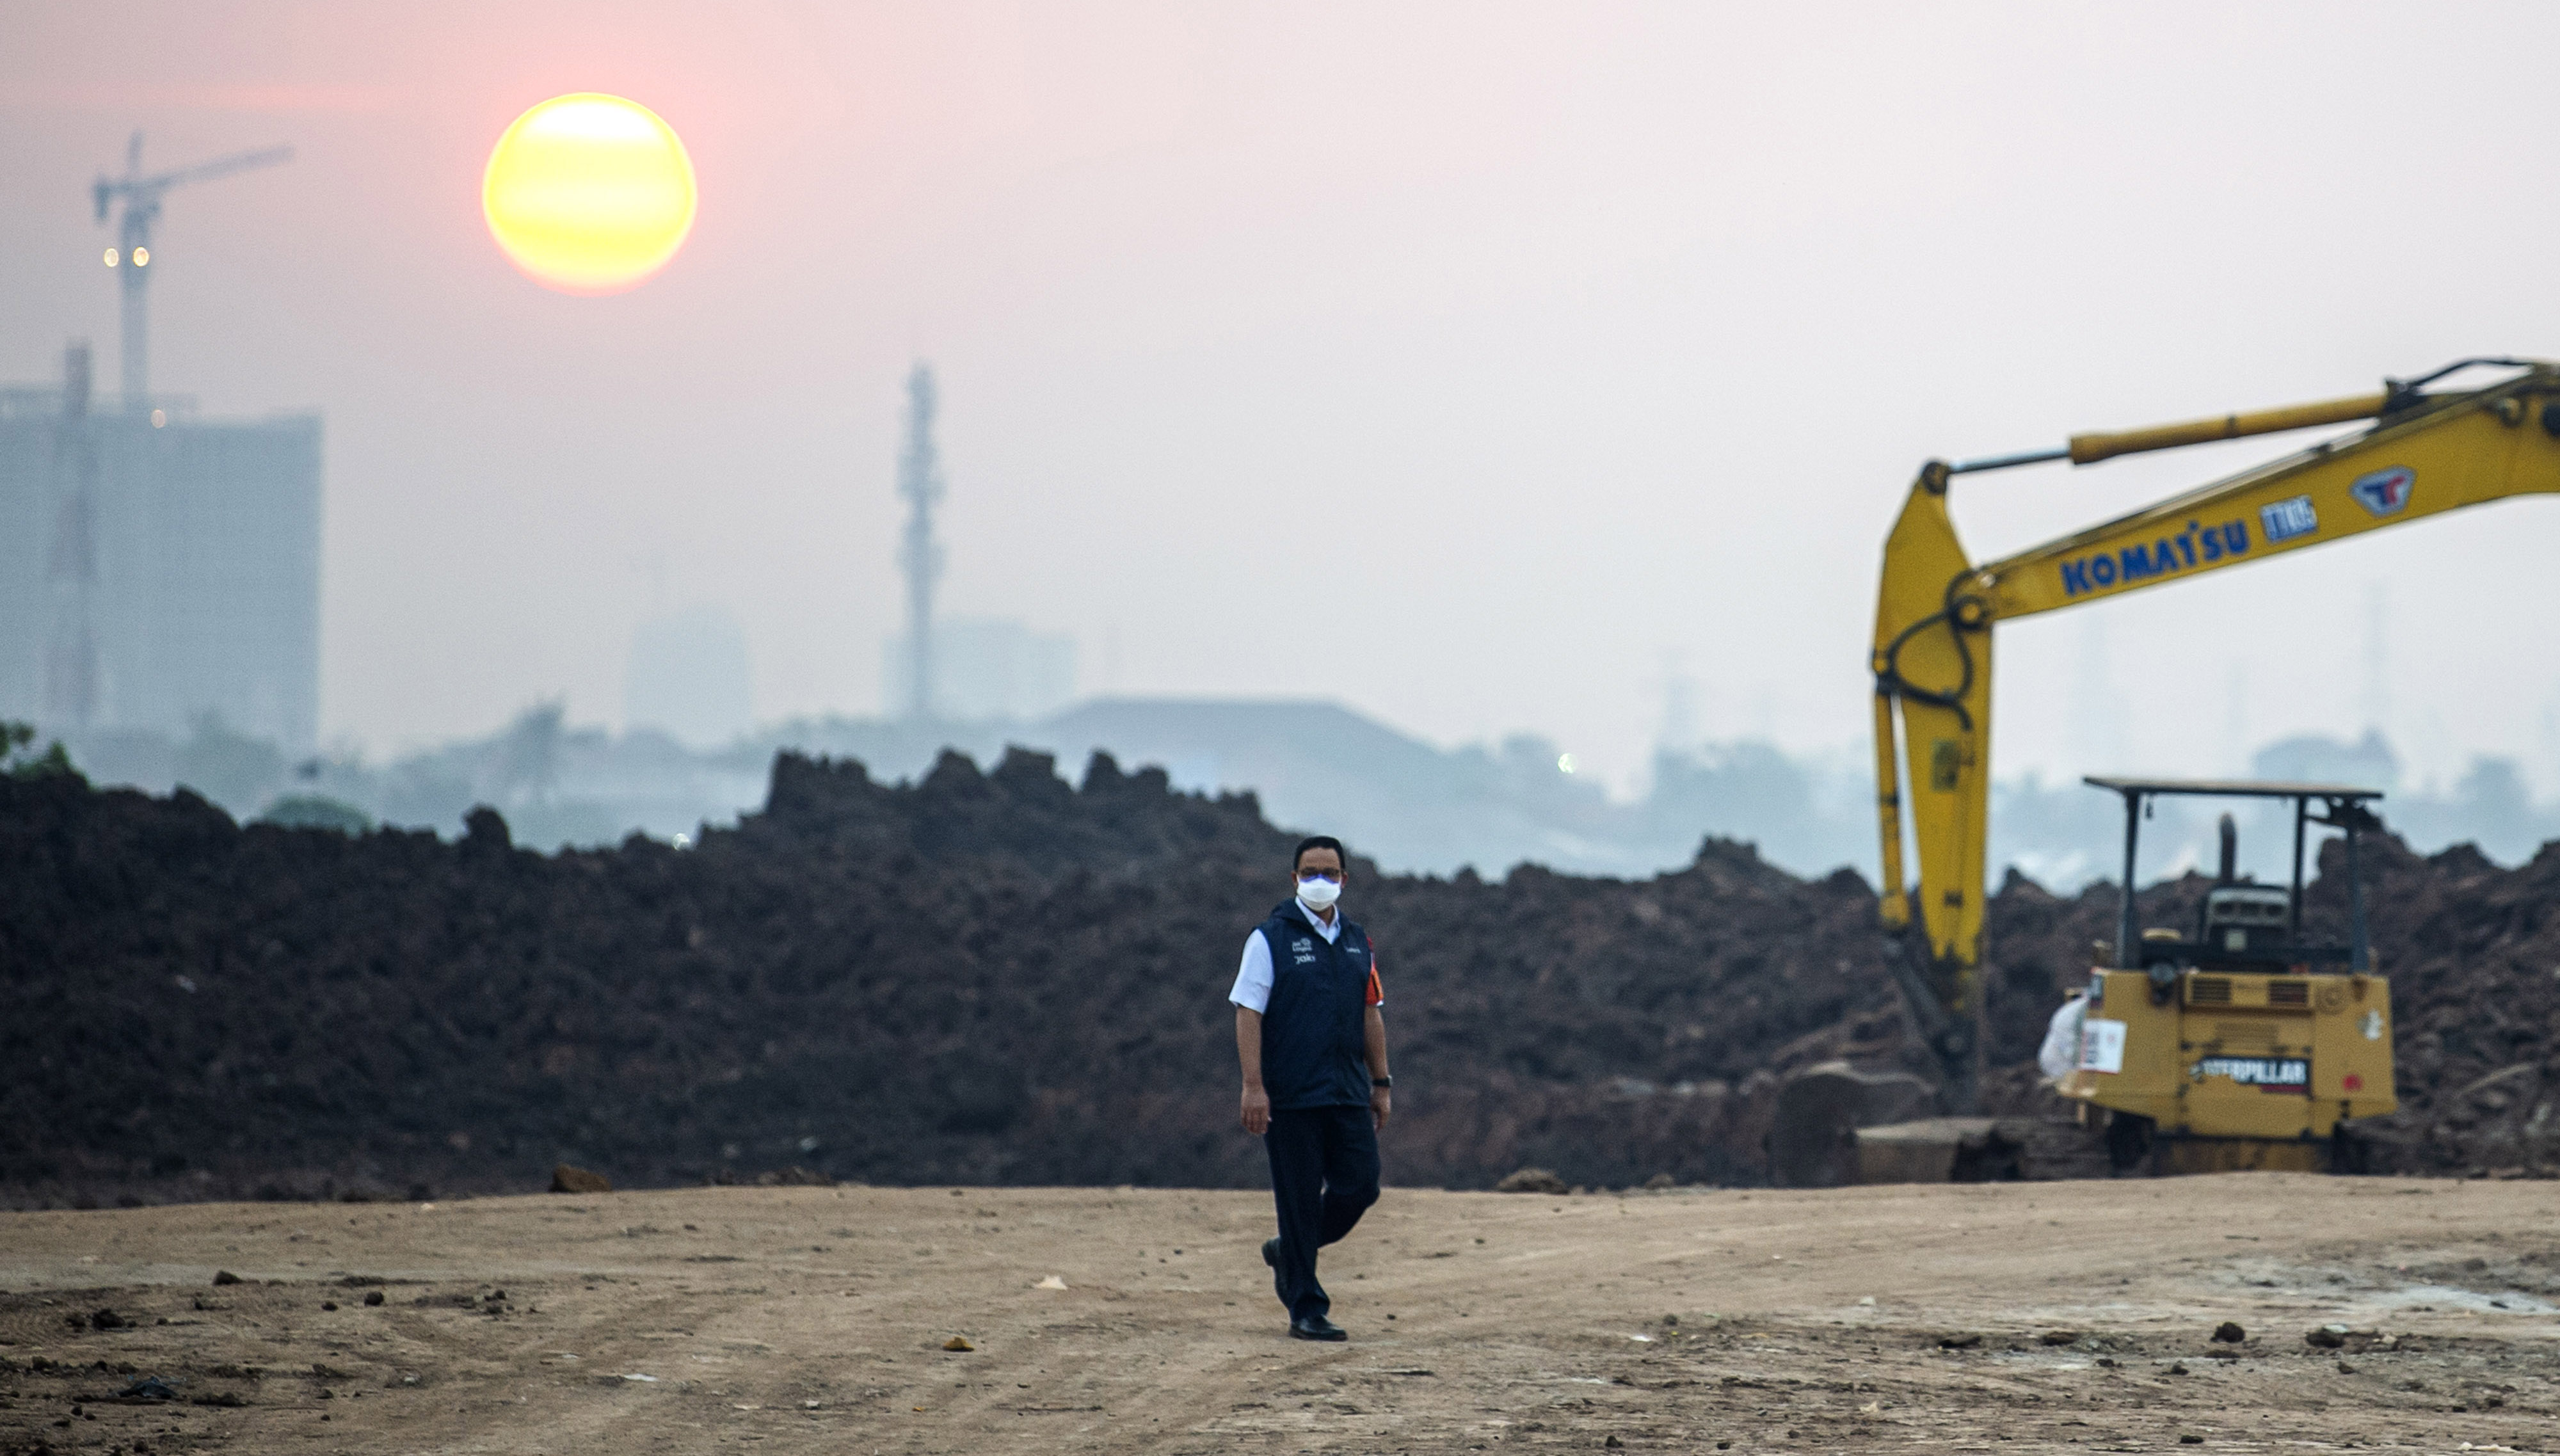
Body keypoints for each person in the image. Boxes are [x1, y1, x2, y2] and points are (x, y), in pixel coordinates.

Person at [1230, 834, 1391, 1342]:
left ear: (1345, 879)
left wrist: (1381, 1081)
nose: (1320, 879)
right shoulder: (1269, 938)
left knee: (1361, 1185)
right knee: (1297, 1200)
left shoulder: (1357, 941)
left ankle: (1288, 1249)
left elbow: (1371, 1013)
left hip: (1346, 1090)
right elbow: (1248, 1012)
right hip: (1292, 1094)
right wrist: (1253, 1086)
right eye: (1310, 871)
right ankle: (1306, 1306)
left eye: (1330, 871)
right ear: (1294, 878)